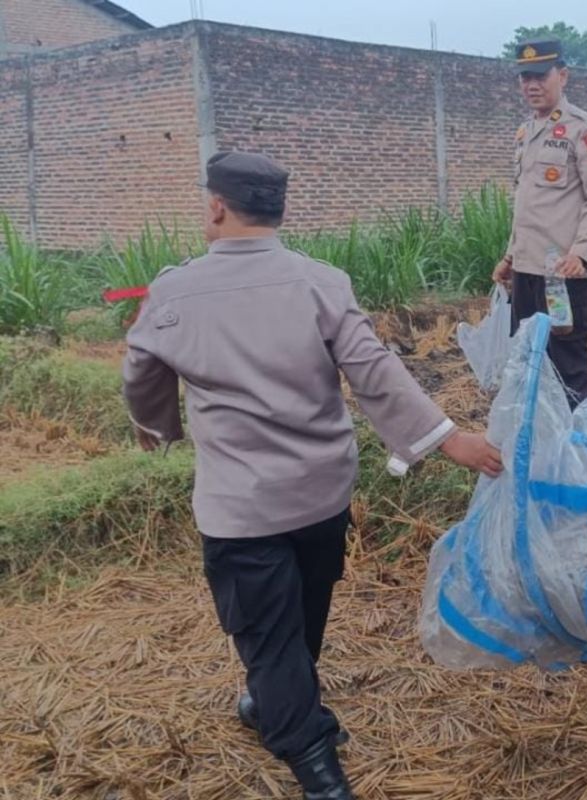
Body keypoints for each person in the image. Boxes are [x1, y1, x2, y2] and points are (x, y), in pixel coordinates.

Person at [121, 152, 503, 800]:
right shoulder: (321, 282)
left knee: (270, 637)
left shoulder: (173, 293)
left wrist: (156, 425)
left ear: (216, 207)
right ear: (279, 210)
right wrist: (449, 438)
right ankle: (276, 706)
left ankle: (316, 765)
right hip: (322, 493)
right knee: (302, 616)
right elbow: (374, 370)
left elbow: (141, 372)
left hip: (241, 507)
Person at [492, 38, 587, 409]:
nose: (531, 84)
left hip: (562, 273)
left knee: (569, 365)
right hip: (526, 272)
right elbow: (528, 204)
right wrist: (511, 256)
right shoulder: (526, 132)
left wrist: (581, 253)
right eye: (525, 77)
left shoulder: (584, 130)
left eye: (540, 76)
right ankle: (539, 443)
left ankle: (580, 451)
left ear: (562, 75)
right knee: (528, 360)